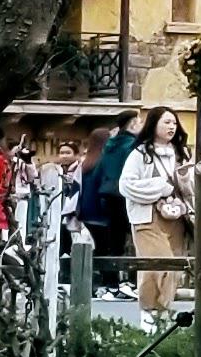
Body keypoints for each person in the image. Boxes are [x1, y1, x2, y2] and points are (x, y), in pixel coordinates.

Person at [122, 105, 192, 301]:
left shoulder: (182, 153)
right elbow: (126, 185)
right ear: (153, 125)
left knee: (175, 268)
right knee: (157, 264)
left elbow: (191, 187)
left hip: (178, 217)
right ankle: (149, 312)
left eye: (174, 123)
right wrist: (160, 187)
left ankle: (164, 311)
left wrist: (185, 182)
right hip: (147, 216)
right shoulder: (140, 154)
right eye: (166, 122)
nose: (172, 127)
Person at [80, 113, 138, 274]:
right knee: (128, 242)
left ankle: (109, 282)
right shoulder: (132, 146)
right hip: (121, 198)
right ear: (132, 124)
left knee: (112, 245)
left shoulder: (107, 150)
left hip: (102, 203)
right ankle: (125, 281)